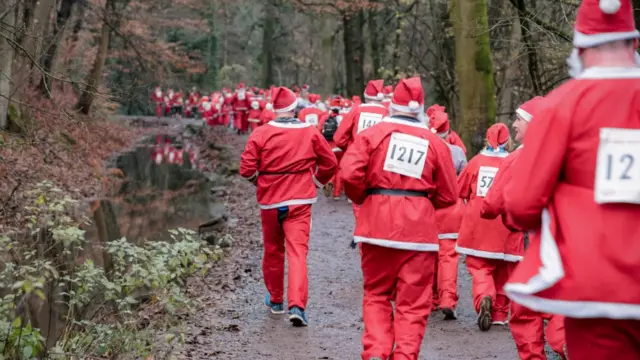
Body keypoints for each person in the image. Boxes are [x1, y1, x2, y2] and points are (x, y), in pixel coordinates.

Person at [503, 0, 640, 358]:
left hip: (597, 284)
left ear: (579, 47)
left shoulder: (562, 106)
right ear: (634, 43)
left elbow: (520, 204)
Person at [341, 77, 458, 360]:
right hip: (418, 234)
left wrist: (365, 198)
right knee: (413, 305)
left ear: (392, 106)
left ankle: (377, 353)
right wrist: (422, 202)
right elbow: (449, 195)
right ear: (420, 110)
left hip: (376, 227)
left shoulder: (373, 134)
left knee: (377, 294)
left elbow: (348, 173)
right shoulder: (435, 143)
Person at [239, 86, 337, 327]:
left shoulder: (261, 133)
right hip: (300, 200)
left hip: (271, 200)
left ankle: (275, 301)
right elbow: (330, 162)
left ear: (273, 109)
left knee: (273, 250)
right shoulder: (311, 132)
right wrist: (316, 181)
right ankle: (297, 306)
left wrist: (258, 182)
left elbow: (246, 169)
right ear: (295, 108)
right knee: (297, 253)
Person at [480, 97, 567, 360]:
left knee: (524, 312)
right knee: (561, 305)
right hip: (564, 246)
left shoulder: (517, 159)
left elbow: (490, 206)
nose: (514, 125)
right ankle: (565, 343)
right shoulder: (567, 155)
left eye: (520, 119)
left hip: (528, 247)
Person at [456, 123, 523, 332]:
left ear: (487, 139)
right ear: (508, 142)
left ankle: (485, 296)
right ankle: (500, 314)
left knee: (480, 268)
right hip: (506, 225)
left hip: (479, 225)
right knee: (504, 270)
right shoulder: (515, 162)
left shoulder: (476, 162)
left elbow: (460, 189)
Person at [430, 106, 467, 319]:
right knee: (449, 257)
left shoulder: (424, 149)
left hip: (428, 210)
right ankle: (448, 298)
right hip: (452, 211)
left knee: (429, 256)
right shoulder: (458, 153)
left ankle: (432, 299)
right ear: (448, 131)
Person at [334, 80, 389, 219]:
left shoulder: (357, 110)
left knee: (359, 201)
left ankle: (362, 231)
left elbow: (339, 138)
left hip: (359, 161)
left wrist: (352, 149)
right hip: (381, 163)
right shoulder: (389, 113)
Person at [318, 102, 343, 199]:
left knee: (331, 168)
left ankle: (329, 181)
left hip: (328, 147)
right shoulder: (342, 118)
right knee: (339, 170)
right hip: (339, 147)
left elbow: (319, 130)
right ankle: (336, 194)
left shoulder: (324, 118)